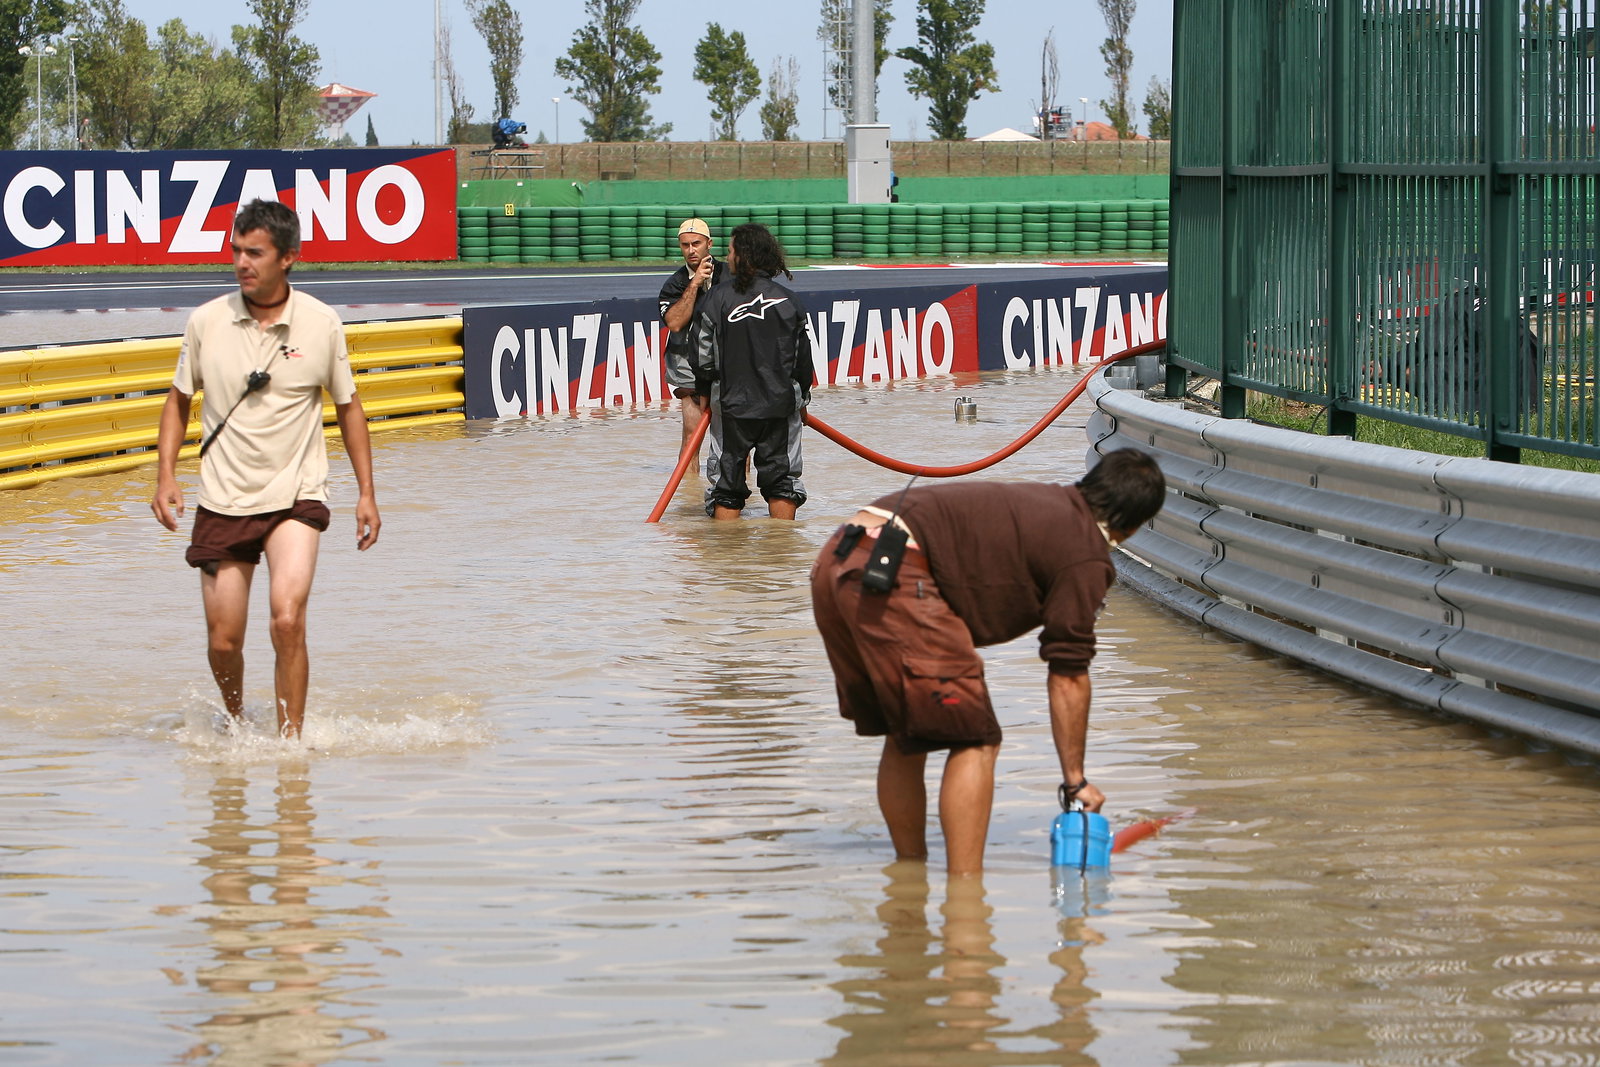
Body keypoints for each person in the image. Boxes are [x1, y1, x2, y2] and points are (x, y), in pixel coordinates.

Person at [809, 449, 1167, 875]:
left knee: (907, 734)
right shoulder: (1084, 551)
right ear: (1132, 525)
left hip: (837, 557)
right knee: (975, 738)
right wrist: (1075, 779)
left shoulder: (1046, 502)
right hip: (895, 568)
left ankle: (908, 878)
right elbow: (1069, 673)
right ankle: (966, 900)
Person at [150, 198, 381, 740]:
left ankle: (289, 743)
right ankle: (236, 725)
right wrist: (165, 476)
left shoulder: (322, 323)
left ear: (289, 259)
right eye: (236, 251)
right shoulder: (206, 321)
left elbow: (349, 408)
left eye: (254, 253)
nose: (241, 263)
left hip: (296, 497)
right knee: (224, 641)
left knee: (286, 618)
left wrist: (366, 493)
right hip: (223, 498)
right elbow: (177, 401)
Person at [692, 222, 814, 520]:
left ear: (744, 255)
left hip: (731, 408)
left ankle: (727, 558)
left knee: (726, 487)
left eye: (731, 251)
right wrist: (803, 399)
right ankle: (783, 558)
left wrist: (705, 391)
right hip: (780, 407)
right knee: (782, 484)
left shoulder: (716, 298)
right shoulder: (790, 300)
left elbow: (702, 354)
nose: (728, 257)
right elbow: (803, 359)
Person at [658, 217, 728, 461]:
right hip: (687, 362)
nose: (690, 250)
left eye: (696, 243)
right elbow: (675, 322)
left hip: (728, 360)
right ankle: (689, 492)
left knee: (735, 437)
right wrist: (695, 282)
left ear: (709, 243)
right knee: (692, 434)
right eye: (685, 245)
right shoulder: (674, 284)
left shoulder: (731, 274)